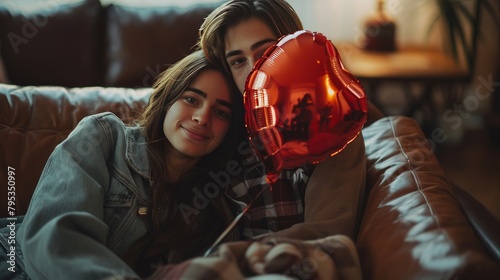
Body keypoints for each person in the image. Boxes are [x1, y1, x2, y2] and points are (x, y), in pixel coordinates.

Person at [0, 50, 247, 279]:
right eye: (192, 99)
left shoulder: (217, 211)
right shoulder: (102, 137)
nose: (202, 118)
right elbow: (57, 239)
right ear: (167, 100)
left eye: (221, 113)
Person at [197, 0, 379, 242]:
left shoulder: (334, 132)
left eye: (266, 53)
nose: (255, 71)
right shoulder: (215, 126)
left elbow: (326, 233)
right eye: (238, 61)